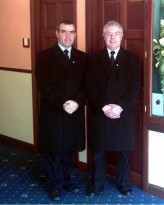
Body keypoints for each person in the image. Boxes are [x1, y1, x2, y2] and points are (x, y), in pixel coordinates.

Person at [85, 20, 140, 197]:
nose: (112, 37)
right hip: (100, 112)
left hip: (123, 113)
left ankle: (123, 183)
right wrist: (105, 106)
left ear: (122, 36)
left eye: (116, 33)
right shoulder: (93, 59)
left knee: (124, 151)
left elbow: (134, 88)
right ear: (103, 36)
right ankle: (98, 182)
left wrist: (119, 107)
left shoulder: (132, 59)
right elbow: (90, 87)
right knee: (99, 151)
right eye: (108, 33)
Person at [35, 20, 88, 201]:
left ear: (75, 34)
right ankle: (54, 185)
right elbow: (44, 85)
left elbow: (86, 86)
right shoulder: (44, 56)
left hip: (75, 112)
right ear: (57, 33)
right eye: (64, 31)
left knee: (70, 150)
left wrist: (77, 102)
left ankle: (66, 179)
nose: (68, 36)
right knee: (53, 150)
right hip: (54, 112)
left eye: (72, 32)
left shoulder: (83, 57)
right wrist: (64, 102)